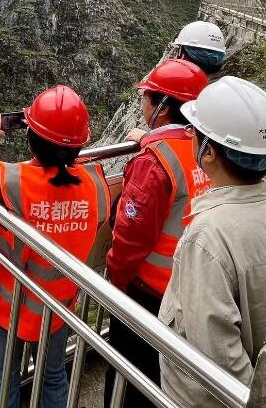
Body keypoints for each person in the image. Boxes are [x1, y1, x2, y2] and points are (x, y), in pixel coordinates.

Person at [0, 86, 112, 408]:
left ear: (32, 139)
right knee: (54, 374)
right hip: (59, 304)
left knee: (2, 375)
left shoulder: (13, 180)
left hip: (8, 306)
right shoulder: (96, 183)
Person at [159, 77, 266, 407]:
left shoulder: (207, 236)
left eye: (196, 132)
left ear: (209, 153)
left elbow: (217, 353)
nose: (189, 135)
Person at [104, 59, 211, 408]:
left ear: (163, 107)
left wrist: (114, 283)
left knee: (127, 374)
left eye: (147, 98)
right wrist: (149, 138)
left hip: (147, 290)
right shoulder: (204, 148)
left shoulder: (154, 162)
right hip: (186, 284)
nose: (142, 103)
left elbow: (131, 238)